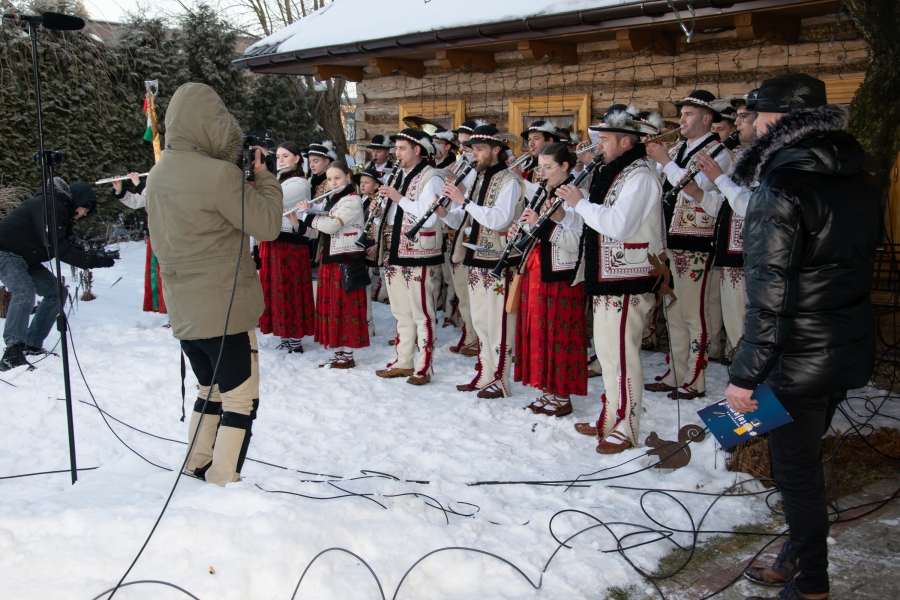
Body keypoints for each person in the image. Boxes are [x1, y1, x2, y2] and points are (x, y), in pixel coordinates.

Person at [723, 73, 878, 600]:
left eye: (754, 115)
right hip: (844, 346)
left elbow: (770, 293)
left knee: (797, 477)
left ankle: (811, 584)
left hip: (800, 359)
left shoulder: (781, 186)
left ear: (778, 121)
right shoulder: (860, 177)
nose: (746, 125)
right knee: (803, 466)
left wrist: (745, 375)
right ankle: (794, 558)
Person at [146, 82, 283, 487]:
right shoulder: (220, 174)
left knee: (209, 390)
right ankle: (223, 478)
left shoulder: (158, 173)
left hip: (185, 308)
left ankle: (196, 464)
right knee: (241, 398)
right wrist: (265, 179)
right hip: (225, 307)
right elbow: (267, 226)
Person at [555, 105, 665, 454]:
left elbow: (619, 225)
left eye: (604, 139)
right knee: (606, 353)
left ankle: (627, 425)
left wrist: (580, 203)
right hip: (608, 274)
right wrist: (565, 215)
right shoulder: (616, 173)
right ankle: (610, 417)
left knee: (622, 355)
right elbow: (596, 220)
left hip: (630, 277)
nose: (598, 146)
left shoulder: (640, 176)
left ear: (625, 141)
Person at [645, 90, 733, 400]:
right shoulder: (679, 148)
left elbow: (697, 192)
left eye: (688, 114)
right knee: (674, 309)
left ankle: (696, 376)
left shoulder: (719, 152)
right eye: (681, 114)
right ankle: (677, 371)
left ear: (707, 119)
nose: (681, 119)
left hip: (697, 243)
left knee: (695, 312)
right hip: (670, 240)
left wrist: (666, 162)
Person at [438, 124, 525, 398]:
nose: (474, 154)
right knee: (480, 322)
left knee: (499, 323)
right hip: (476, 257)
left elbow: (498, 219)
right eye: (472, 149)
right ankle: (485, 374)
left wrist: (463, 201)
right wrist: (444, 213)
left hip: (500, 260)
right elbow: (466, 218)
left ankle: (501, 379)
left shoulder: (510, 181)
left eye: (479, 149)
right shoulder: (477, 178)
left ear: (496, 150)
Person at [0, 179, 115, 371]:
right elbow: (59, 247)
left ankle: (32, 344)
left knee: (57, 293)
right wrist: (92, 262)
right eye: (86, 208)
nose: (85, 214)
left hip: (26, 257)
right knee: (24, 291)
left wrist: (91, 252)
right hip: (5, 252)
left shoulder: (59, 211)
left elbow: (65, 240)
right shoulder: (48, 206)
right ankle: (12, 353)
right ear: (78, 201)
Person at [510, 143, 587, 416]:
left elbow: (579, 242)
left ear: (565, 166)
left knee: (559, 335)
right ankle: (548, 389)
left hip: (562, 276)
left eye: (548, 167)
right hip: (537, 272)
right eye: (540, 167)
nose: (541, 173)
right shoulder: (545, 192)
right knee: (540, 332)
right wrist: (522, 230)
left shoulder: (579, 195)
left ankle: (562, 395)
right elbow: (537, 231)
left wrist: (544, 226)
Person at [682, 91, 758, 362]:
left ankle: (748, 377)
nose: (737, 123)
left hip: (753, 254)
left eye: (744, 117)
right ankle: (740, 373)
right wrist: (698, 194)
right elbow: (726, 207)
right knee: (735, 322)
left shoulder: (769, 159)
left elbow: (751, 207)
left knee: (750, 326)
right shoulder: (744, 155)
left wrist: (720, 179)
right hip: (733, 252)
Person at [371, 128, 445, 385]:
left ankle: (425, 365)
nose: (397, 153)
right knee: (401, 311)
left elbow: (429, 216)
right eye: (396, 149)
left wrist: (398, 197)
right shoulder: (398, 176)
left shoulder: (431, 177)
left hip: (419, 253)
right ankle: (404, 361)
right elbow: (393, 215)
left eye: (402, 148)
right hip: (394, 249)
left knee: (422, 312)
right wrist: (378, 212)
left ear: (417, 149)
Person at [290, 161, 369, 367]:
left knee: (346, 308)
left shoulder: (352, 200)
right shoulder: (331, 200)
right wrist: (296, 221)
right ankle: (339, 352)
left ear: (348, 177)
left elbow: (332, 225)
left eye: (337, 178)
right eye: (330, 179)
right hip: (329, 260)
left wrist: (308, 214)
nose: (333, 183)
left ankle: (348, 354)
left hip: (346, 261)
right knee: (334, 307)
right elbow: (318, 233)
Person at [258, 142, 315, 354]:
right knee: (276, 290)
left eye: (285, 156)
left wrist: (263, 175)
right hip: (274, 239)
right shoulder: (278, 179)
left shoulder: (300, 183)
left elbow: (273, 198)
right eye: (278, 157)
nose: (281, 161)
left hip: (291, 242)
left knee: (290, 289)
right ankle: (284, 333)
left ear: (297, 158)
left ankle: (295, 338)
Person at [446, 119, 486, 356]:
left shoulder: (480, 170)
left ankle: (479, 338)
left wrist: (459, 191)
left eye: (467, 144)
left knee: (476, 293)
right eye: (461, 144)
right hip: (457, 231)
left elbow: (477, 203)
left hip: (475, 235)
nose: (463, 148)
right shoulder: (461, 165)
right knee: (462, 290)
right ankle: (470, 334)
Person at [112, 172, 167, 314]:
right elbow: (138, 201)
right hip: (156, 236)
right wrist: (120, 191)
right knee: (158, 276)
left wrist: (138, 184)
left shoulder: (173, 181)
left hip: (170, 237)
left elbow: (155, 198)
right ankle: (167, 313)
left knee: (169, 276)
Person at [352, 165, 384, 335]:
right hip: (359, 245)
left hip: (370, 245)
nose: (362, 185)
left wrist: (378, 245)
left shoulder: (380, 201)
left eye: (367, 182)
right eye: (361, 182)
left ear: (376, 185)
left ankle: (367, 323)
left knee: (365, 286)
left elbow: (383, 225)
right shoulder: (358, 199)